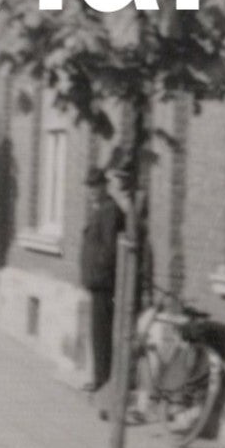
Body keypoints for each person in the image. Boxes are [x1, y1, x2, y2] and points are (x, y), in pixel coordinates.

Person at [79, 167, 125, 394]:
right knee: (98, 332)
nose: (91, 191)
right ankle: (100, 377)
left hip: (104, 284)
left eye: (95, 186)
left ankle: (102, 381)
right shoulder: (100, 208)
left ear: (104, 186)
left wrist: (98, 274)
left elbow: (109, 249)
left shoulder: (108, 210)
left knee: (101, 333)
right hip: (98, 282)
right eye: (89, 187)